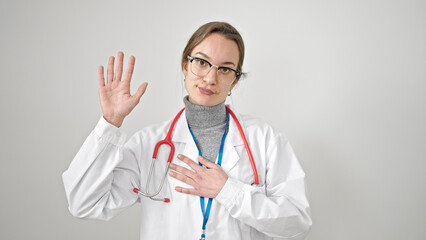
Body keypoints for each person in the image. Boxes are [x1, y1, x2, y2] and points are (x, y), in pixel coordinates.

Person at [62, 21, 312, 240]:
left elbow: (297, 224)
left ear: (234, 80)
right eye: (202, 62)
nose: (210, 78)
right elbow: (83, 204)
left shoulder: (264, 140)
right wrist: (110, 121)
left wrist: (229, 191)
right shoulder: (149, 144)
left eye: (224, 68)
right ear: (185, 65)